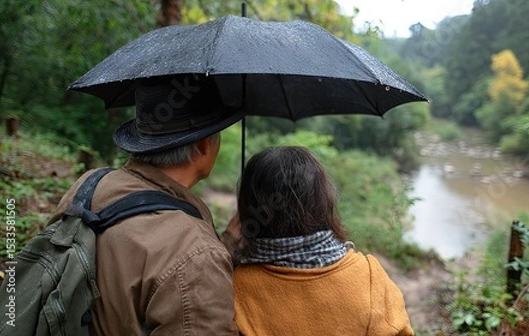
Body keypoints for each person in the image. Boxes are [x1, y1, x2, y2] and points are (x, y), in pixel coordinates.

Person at [49, 75, 243, 335]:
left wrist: (225, 243)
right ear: (204, 145)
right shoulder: (196, 255)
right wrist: (209, 255)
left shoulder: (90, 184)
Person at [225, 146, 414, 335]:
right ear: (323, 202)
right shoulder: (371, 278)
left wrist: (225, 246)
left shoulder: (233, 287)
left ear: (247, 209)